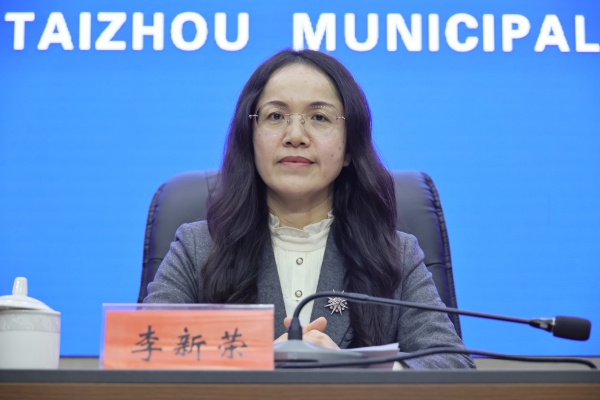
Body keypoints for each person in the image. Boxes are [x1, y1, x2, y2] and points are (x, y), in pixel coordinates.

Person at [144, 49, 475, 369]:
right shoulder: (198, 248)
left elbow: (453, 365)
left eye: (319, 117)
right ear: (250, 139)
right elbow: (142, 353)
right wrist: (250, 363)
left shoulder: (396, 255)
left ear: (349, 147)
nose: (295, 136)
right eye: (276, 116)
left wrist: (354, 370)